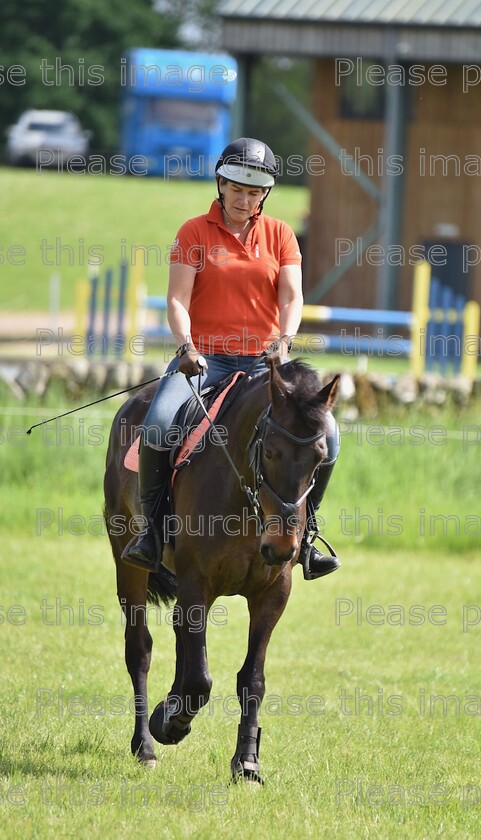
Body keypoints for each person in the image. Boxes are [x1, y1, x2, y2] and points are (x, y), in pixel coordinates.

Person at [123, 137, 340, 580]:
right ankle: (151, 532)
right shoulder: (193, 232)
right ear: (220, 184)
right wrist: (185, 345)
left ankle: (308, 534)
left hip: (264, 365)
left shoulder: (280, 235)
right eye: (237, 189)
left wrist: (285, 338)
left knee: (329, 436)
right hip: (203, 361)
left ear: (265, 194)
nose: (245, 199)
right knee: (159, 424)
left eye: (255, 191)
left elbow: (293, 296)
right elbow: (177, 299)